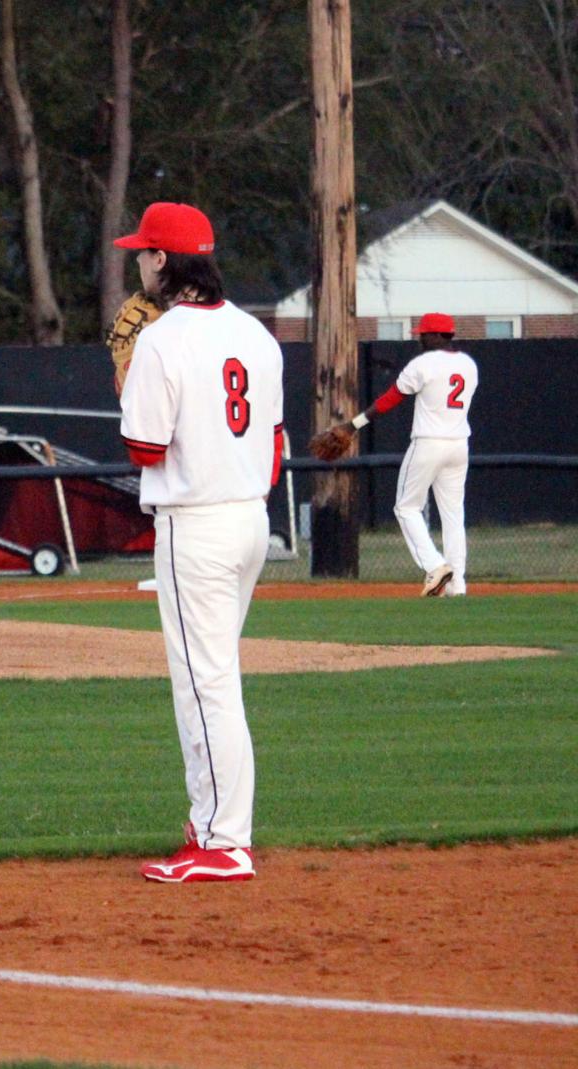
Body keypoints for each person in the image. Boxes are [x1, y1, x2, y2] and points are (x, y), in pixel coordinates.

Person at [115, 202, 284, 883]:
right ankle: (211, 818)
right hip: (250, 518)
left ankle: (223, 840)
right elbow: (274, 447)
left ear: (163, 260)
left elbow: (144, 446)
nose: (137, 261)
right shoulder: (256, 334)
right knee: (213, 680)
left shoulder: (163, 339)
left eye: (142, 252)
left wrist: (125, 378)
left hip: (196, 526)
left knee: (206, 684)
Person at [322, 312, 478, 597]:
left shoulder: (423, 364)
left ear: (439, 335)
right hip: (459, 444)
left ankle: (435, 566)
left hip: (429, 442)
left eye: (424, 334)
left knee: (406, 507)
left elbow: (390, 399)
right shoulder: (469, 365)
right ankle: (457, 585)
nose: (420, 338)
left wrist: (352, 425)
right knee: (454, 514)